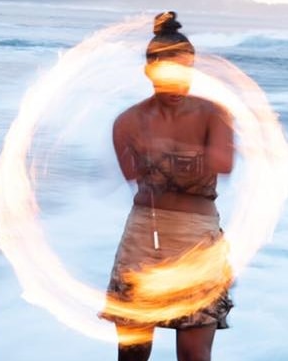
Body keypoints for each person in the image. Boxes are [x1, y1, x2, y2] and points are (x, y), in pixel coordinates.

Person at [101, 11, 235, 361]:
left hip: (197, 240)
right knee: (132, 353)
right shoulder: (127, 122)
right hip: (144, 236)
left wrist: (164, 150)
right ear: (149, 71)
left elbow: (224, 163)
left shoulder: (213, 114)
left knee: (193, 354)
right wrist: (166, 154)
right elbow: (132, 175)